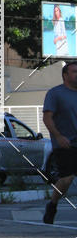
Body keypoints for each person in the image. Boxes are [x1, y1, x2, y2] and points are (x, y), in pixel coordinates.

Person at [43, 61, 77, 224]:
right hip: (65, 144)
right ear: (65, 75)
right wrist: (58, 136)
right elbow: (47, 118)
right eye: (75, 71)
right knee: (67, 179)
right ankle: (52, 205)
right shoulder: (55, 93)